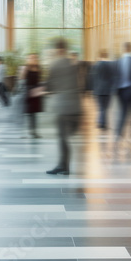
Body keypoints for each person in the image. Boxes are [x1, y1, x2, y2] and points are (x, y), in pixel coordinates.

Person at [46, 39, 81, 175]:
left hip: (63, 107)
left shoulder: (54, 64)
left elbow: (50, 86)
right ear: (65, 49)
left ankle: (63, 166)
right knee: (66, 137)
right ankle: (64, 165)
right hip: (76, 107)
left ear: (57, 50)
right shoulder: (73, 64)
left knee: (63, 138)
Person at [90, 49, 115, 131]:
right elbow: (113, 78)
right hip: (108, 89)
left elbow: (93, 78)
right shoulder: (111, 65)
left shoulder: (96, 65)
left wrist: (93, 89)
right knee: (105, 108)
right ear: (107, 55)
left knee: (101, 107)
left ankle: (101, 122)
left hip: (98, 89)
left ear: (99, 56)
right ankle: (103, 123)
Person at [21, 53, 43, 139]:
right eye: (31, 58)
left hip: (36, 92)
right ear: (28, 59)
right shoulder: (26, 68)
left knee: (34, 114)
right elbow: (22, 79)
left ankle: (34, 131)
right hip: (28, 92)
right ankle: (30, 131)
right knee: (30, 113)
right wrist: (23, 71)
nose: (33, 59)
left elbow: (39, 80)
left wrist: (41, 89)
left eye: (34, 57)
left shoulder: (38, 68)